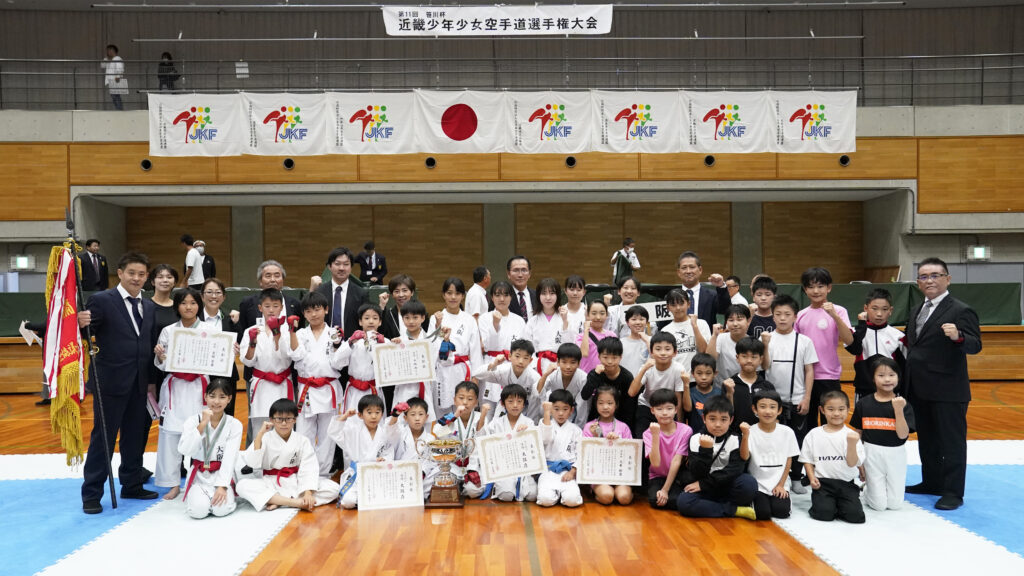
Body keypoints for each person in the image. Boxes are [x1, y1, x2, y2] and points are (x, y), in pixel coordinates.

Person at [77, 252, 159, 514]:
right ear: (120, 273)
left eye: (141, 274)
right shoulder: (102, 300)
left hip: (139, 383)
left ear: (147, 277)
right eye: (131, 273)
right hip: (110, 382)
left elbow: (145, 343)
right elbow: (89, 333)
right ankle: (91, 494)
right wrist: (81, 325)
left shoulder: (150, 306)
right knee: (104, 439)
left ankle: (132, 484)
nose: (136, 278)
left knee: (135, 437)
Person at [904, 257, 981, 511]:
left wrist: (959, 336)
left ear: (947, 278)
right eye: (924, 276)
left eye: (935, 275)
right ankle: (932, 482)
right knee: (927, 440)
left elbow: (975, 344)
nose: (930, 280)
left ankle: (953, 492)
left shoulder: (961, 310)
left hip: (948, 390)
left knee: (952, 442)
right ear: (918, 283)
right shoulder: (916, 310)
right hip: (919, 388)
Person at [152, 287, 211, 500]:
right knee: (170, 437)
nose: (188, 307)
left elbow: (214, 361)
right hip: (175, 387)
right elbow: (161, 365)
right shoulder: (169, 331)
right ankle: (173, 484)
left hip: (199, 387)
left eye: (193, 303)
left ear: (199, 305)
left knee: (201, 434)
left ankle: (200, 480)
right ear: (177, 306)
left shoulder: (208, 329)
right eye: (184, 303)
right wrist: (159, 356)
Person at [235, 399, 340, 511]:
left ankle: (278, 501)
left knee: (334, 488)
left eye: (288, 419)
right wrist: (260, 434)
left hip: (295, 481)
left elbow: (309, 467)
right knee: (242, 485)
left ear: (295, 419)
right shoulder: (265, 437)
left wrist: (308, 493)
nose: (284, 423)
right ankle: (295, 502)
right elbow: (253, 463)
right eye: (279, 419)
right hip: (271, 481)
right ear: (271, 420)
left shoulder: (302, 440)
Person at [288, 292, 346, 478]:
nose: (314, 314)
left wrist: (339, 345)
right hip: (307, 388)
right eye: (309, 311)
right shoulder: (300, 334)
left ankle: (322, 474)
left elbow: (339, 363)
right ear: (304, 314)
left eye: (318, 309)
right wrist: (290, 332)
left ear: (326, 310)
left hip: (329, 388)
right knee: (304, 433)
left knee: (327, 434)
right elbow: (296, 356)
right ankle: (305, 473)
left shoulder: (334, 333)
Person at [765, 293, 818, 493]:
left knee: (797, 441)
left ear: (795, 316)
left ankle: (796, 477)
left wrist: (807, 398)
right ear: (772, 316)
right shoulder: (767, 339)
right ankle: (774, 478)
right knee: (773, 441)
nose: (782, 318)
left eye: (787, 314)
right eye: (778, 314)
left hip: (797, 400)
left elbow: (809, 370)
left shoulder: (804, 341)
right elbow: (762, 366)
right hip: (771, 403)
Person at [850, 356, 915, 512]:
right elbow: (857, 434)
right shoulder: (864, 404)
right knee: (878, 505)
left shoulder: (903, 404)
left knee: (895, 504)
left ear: (898, 378)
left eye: (891, 375)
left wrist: (898, 409)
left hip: (896, 453)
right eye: (881, 375)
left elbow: (902, 435)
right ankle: (866, 490)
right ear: (873, 378)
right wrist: (860, 462)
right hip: (871, 452)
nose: (887, 379)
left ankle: (880, 488)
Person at [675, 396, 757, 520]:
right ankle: (733, 510)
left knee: (748, 484)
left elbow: (735, 470)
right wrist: (706, 450)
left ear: (731, 420)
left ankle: (714, 507)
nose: (718, 425)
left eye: (723, 419)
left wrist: (704, 484)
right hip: (703, 488)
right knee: (684, 502)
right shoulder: (696, 438)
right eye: (712, 419)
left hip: (722, 485)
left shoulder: (735, 439)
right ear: (704, 419)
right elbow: (696, 472)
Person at [795, 267, 854, 426]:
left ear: (829, 288)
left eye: (820, 286)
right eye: (811, 286)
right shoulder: (800, 315)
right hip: (805, 377)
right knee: (808, 421)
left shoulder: (839, 311)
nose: (816, 291)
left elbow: (849, 340)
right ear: (805, 289)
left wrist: (833, 315)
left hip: (829, 376)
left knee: (831, 421)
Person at [177, 378, 243, 519]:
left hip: (221, 474)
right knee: (198, 512)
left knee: (221, 510)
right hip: (199, 476)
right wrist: (203, 424)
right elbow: (184, 450)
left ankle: (226, 494)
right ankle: (200, 498)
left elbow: (230, 457)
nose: (216, 401)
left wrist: (222, 486)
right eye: (212, 396)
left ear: (229, 399)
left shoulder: (234, 424)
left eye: (222, 397)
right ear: (205, 397)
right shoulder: (192, 421)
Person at [801, 390, 865, 523]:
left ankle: (840, 505)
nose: (836, 413)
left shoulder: (851, 435)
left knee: (856, 517)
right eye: (831, 409)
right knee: (823, 514)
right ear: (822, 410)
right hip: (823, 483)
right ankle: (829, 505)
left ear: (848, 409)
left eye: (841, 409)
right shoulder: (814, 434)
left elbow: (853, 463)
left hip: (846, 483)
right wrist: (812, 478)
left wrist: (852, 444)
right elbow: (807, 460)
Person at [240, 289, 296, 439]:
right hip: (262, 385)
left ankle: (283, 463)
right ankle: (261, 462)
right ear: (260, 308)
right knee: (261, 430)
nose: (271, 310)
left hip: (283, 383)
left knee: (285, 427)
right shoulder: (251, 331)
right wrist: (252, 343)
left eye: (275, 306)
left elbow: (290, 356)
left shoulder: (289, 330)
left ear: (282, 307)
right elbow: (248, 361)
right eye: (267, 306)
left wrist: (278, 338)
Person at [330, 395, 402, 509]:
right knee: (348, 501)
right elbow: (335, 433)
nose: (374, 416)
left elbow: (389, 450)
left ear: (382, 414)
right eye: (369, 412)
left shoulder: (384, 432)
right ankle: (367, 500)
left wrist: (384, 460)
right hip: (357, 475)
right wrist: (345, 416)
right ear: (360, 415)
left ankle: (368, 500)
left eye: (377, 412)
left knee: (393, 498)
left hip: (378, 474)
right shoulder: (354, 431)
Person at [739, 389, 800, 520]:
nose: (767, 411)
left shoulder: (787, 432)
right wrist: (745, 435)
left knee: (782, 512)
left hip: (779, 482)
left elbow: (789, 460)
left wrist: (781, 485)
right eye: (762, 407)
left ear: (779, 410)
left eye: (772, 407)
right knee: (763, 514)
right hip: (758, 484)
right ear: (754, 409)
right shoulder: (751, 431)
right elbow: (744, 457)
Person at [428, 278, 484, 417]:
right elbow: (431, 348)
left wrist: (475, 377)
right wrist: (438, 327)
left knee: (464, 410)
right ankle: (443, 438)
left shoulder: (469, 319)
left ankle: (463, 438)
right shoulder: (436, 318)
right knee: (443, 412)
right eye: (449, 293)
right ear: (443, 295)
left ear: (462, 296)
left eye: (457, 293)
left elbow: (476, 350)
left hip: (463, 369)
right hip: (443, 370)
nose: (453, 297)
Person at [477, 384, 538, 502]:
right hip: (503, 468)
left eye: (519, 401)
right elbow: (482, 438)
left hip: (523, 468)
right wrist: (483, 414)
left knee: (532, 496)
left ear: (524, 404)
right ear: (502, 403)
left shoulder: (529, 423)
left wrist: (526, 433)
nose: (515, 405)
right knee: (507, 495)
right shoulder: (496, 423)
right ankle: (500, 486)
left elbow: (534, 449)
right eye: (510, 401)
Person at [847, 288, 906, 402]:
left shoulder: (898, 336)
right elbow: (854, 348)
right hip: (863, 390)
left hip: (891, 391)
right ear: (866, 308)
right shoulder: (856, 332)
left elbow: (903, 366)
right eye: (874, 309)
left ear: (891, 310)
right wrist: (861, 325)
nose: (879, 314)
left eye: (884, 309)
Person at [582, 384, 633, 506]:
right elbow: (586, 455)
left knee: (624, 498)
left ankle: (627, 491)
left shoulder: (623, 427)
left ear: (616, 405)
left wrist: (618, 442)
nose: (605, 407)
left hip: (619, 474)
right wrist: (596, 438)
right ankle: (597, 492)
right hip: (598, 475)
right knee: (607, 497)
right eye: (601, 403)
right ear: (596, 404)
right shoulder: (590, 426)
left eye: (610, 403)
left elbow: (631, 453)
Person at [644, 389, 693, 511]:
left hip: (677, 474)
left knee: (676, 500)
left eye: (669, 408)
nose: (664, 413)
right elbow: (655, 463)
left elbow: (676, 461)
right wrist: (655, 436)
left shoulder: (685, 430)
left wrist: (665, 490)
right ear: (652, 410)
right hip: (657, 475)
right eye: (659, 409)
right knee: (655, 500)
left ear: (676, 410)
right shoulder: (648, 433)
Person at [333, 304, 388, 415]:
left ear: (380, 322)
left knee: (375, 423)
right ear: (360, 322)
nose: (371, 321)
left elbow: (390, 369)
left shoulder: (385, 341)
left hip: (374, 389)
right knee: (352, 424)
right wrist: (350, 342)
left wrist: (382, 345)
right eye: (367, 318)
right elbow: (336, 363)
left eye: (375, 318)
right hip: (354, 390)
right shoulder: (353, 341)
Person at [630, 332, 686, 438]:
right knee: (641, 438)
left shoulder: (679, 369)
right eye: (658, 349)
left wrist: (680, 424)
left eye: (667, 349)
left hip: (668, 408)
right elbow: (632, 392)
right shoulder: (646, 367)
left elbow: (678, 399)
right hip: (647, 406)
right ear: (651, 352)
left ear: (675, 352)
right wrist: (644, 369)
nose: (663, 353)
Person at [312, 247, 369, 347]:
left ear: (351, 267)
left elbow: (365, 322)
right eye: (337, 264)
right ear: (329, 266)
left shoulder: (361, 293)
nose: (341, 268)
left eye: (346, 264)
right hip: (324, 346)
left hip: (352, 347)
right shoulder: (320, 292)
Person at [391, 300, 437, 422]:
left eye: (415, 317)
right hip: (404, 388)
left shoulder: (430, 341)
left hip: (423, 386)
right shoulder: (397, 342)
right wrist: (393, 348)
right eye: (407, 318)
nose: (411, 321)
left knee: (425, 421)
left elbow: (434, 364)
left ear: (423, 318)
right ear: (402, 318)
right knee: (401, 421)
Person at [198, 277, 239, 416]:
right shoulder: (193, 320)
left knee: (226, 416)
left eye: (218, 292)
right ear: (202, 296)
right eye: (209, 292)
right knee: (202, 416)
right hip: (199, 376)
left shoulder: (231, 320)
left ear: (224, 297)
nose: (214, 296)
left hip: (226, 375)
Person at [473, 339, 540, 422]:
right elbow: (477, 374)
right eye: (517, 356)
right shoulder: (503, 370)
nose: (520, 361)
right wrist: (494, 364)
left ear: (530, 361)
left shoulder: (534, 378)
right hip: (505, 406)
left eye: (525, 358)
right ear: (510, 356)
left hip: (525, 409)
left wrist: (530, 424)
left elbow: (534, 404)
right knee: (496, 427)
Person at [537, 391, 584, 508]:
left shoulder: (576, 430)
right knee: (545, 500)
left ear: (571, 410)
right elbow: (546, 439)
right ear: (551, 409)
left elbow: (581, 454)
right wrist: (546, 414)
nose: (561, 413)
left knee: (572, 500)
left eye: (565, 409)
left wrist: (572, 472)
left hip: (567, 471)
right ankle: (556, 494)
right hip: (548, 470)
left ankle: (563, 494)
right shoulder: (544, 424)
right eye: (556, 409)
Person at [581, 338, 637, 431]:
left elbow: (629, 408)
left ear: (621, 357)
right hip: (597, 419)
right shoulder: (595, 373)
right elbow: (585, 395)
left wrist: (623, 429)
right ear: (599, 357)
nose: (610, 361)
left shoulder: (627, 377)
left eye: (614, 358)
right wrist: (595, 375)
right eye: (605, 357)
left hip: (620, 421)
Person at [721, 337, 774, 430]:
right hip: (735, 435)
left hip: (760, 435)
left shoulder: (767, 386)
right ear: (737, 358)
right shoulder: (729, 384)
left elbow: (773, 416)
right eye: (744, 356)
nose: (749, 360)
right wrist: (729, 393)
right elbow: (725, 414)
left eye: (754, 357)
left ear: (761, 359)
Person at [709, 304, 769, 385]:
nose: (735, 324)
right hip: (722, 387)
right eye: (731, 320)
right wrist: (714, 336)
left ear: (748, 321)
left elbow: (763, 367)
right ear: (726, 322)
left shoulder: (753, 342)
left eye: (739, 319)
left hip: (746, 387)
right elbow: (710, 359)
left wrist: (765, 344)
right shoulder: (720, 338)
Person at [524, 278, 573, 375]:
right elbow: (527, 347)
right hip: (537, 367)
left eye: (552, 293)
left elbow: (570, 345)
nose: (548, 297)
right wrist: (533, 366)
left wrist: (565, 322)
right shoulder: (533, 320)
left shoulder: (566, 317)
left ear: (558, 295)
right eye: (544, 293)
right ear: (538, 296)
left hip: (560, 365)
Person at [394, 397, 438, 500]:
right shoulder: (399, 434)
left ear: (426, 417)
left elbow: (431, 461)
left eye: (421, 414)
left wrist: (422, 471)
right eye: (413, 415)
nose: (417, 418)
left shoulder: (430, 438)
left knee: (438, 471)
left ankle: (418, 494)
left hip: (421, 477)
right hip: (401, 475)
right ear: (405, 418)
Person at [675, 251, 731, 329]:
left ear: (700, 270)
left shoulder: (712, 295)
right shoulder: (671, 297)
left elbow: (725, 310)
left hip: (706, 339)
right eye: (684, 268)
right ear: (678, 272)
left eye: (692, 267)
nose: (688, 271)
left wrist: (721, 286)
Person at [657, 288, 710, 370]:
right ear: (668, 308)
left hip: (698, 377)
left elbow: (703, 351)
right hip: (676, 377)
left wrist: (694, 326)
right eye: (673, 305)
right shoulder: (665, 330)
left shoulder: (701, 323)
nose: (678, 308)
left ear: (688, 304)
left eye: (681, 304)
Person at [538, 343, 588, 427]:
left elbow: (582, 406)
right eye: (564, 362)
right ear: (558, 362)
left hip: (572, 412)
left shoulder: (583, 378)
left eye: (572, 362)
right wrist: (545, 374)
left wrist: (579, 427)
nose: (568, 367)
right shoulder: (553, 373)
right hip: (554, 412)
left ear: (579, 363)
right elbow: (538, 392)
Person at [479, 281, 527, 365]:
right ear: (492, 298)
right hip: (491, 363)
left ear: (511, 297)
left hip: (513, 365)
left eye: (506, 295)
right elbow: (485, 346)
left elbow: (524, 347)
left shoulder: (519, 320)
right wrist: (495, 325)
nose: (502, 299)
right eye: (497, 295)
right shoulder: (484, 318)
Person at [682, 353, 723, 434]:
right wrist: (686, 385)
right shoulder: (689, 392)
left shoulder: (719, 393)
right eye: (699, 373)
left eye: (708, 373)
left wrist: (729, 393)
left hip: (715, 434)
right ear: (693, 374)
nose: (704, 377)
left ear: (715, 373)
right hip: (695, 435)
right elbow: (687, 409)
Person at [576, 300, 616, 374]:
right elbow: (584, 353)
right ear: (588, 315)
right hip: (587, 377)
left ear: (606, 315)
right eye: (594, 313)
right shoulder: (581, 336)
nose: (598, 317)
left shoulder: (612, 335)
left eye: (602, 313)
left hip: (606, 377)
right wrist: (586, 331)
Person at [379, 274, 422, 339]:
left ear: (412, 292)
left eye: (405, 290)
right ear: (392, 294)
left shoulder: (421, 313)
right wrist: (382, 305)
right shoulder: (388, 314)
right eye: (397, 291)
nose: (401, 295)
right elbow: (381, 333)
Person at [619, 305, 651, 377]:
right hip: (627, 383)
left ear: (646, 322)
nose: (638, 322)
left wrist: (647, 341)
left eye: (641, 319)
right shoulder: (621, 343)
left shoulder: (652, 341)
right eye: (634, 319)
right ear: (627, 322)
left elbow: (657, 359)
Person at [506, 255, 535, 321]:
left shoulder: (538, 296)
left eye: (524, 270)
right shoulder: (502, 297)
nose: (520, 275)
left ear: (529, 273)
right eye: (516, 270)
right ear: (508, 274)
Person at [561, 275, 588, 340]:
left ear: (584, 292)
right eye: (571, 290)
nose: (575, 293)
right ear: (565, 291)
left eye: (579, 290)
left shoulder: (588, 311)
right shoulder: (561, 311)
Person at [101, 44, 126, 110]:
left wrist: (118, 76)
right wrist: (106, 58)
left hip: (115, 80)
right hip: (111, 81)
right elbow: (102, 65)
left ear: (112, 50)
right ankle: (118, 109)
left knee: (116, 96)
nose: (107, 52)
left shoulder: (117, 58)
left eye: (108, 50)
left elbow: (120, 68)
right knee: (114, 97)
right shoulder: (109, 60)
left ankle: (119, 110)